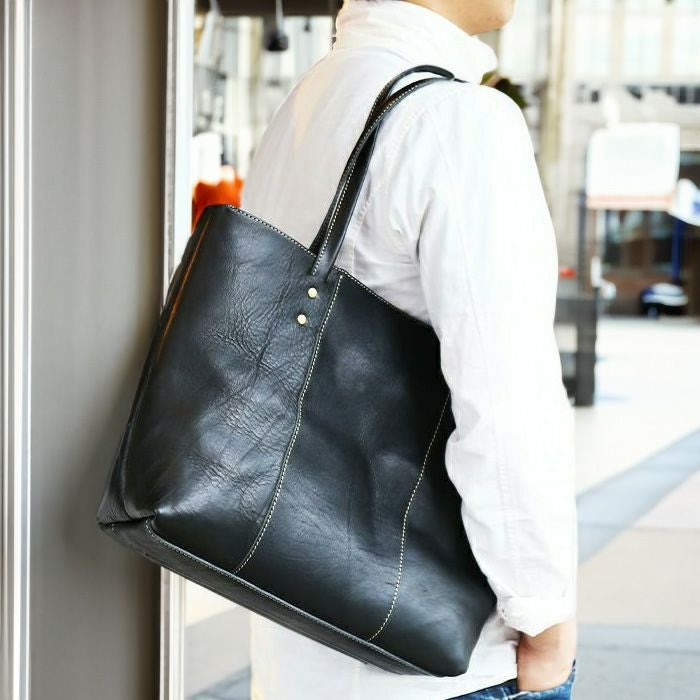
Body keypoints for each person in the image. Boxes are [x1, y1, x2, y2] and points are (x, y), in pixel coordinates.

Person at [241, 1, 578, 698]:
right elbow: (506, 397)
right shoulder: (458, 120)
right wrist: (544, 616)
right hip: (438, 652)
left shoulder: (318, 94)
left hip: (298, 630)